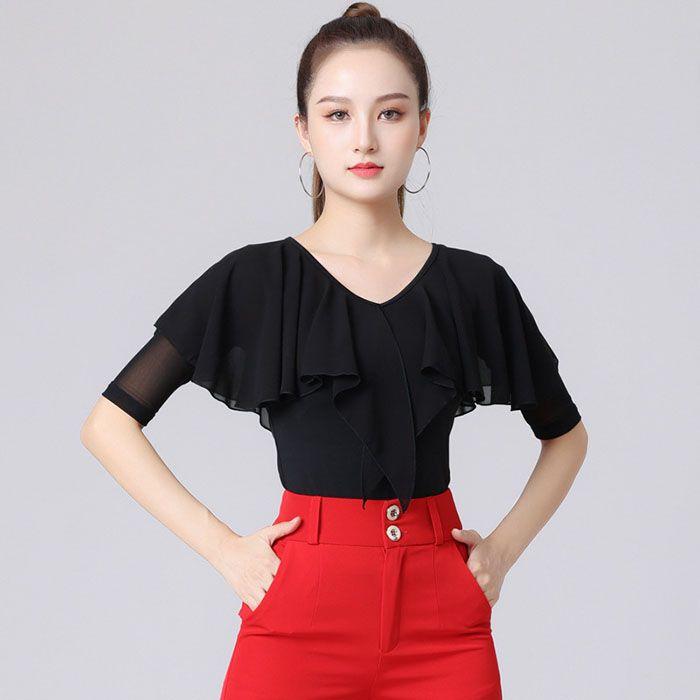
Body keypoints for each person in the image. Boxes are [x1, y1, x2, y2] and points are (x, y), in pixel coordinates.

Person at [80, 3, 588, 698]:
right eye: (338, 114)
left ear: (422, 126)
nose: (365, 139)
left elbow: (567, 436)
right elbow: (108, 425)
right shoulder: (257, 279)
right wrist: (224, 550)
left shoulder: (474, 285)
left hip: (442, 621)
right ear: (304, 130)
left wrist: (500, 552)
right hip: (300, 612)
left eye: (390, 113)